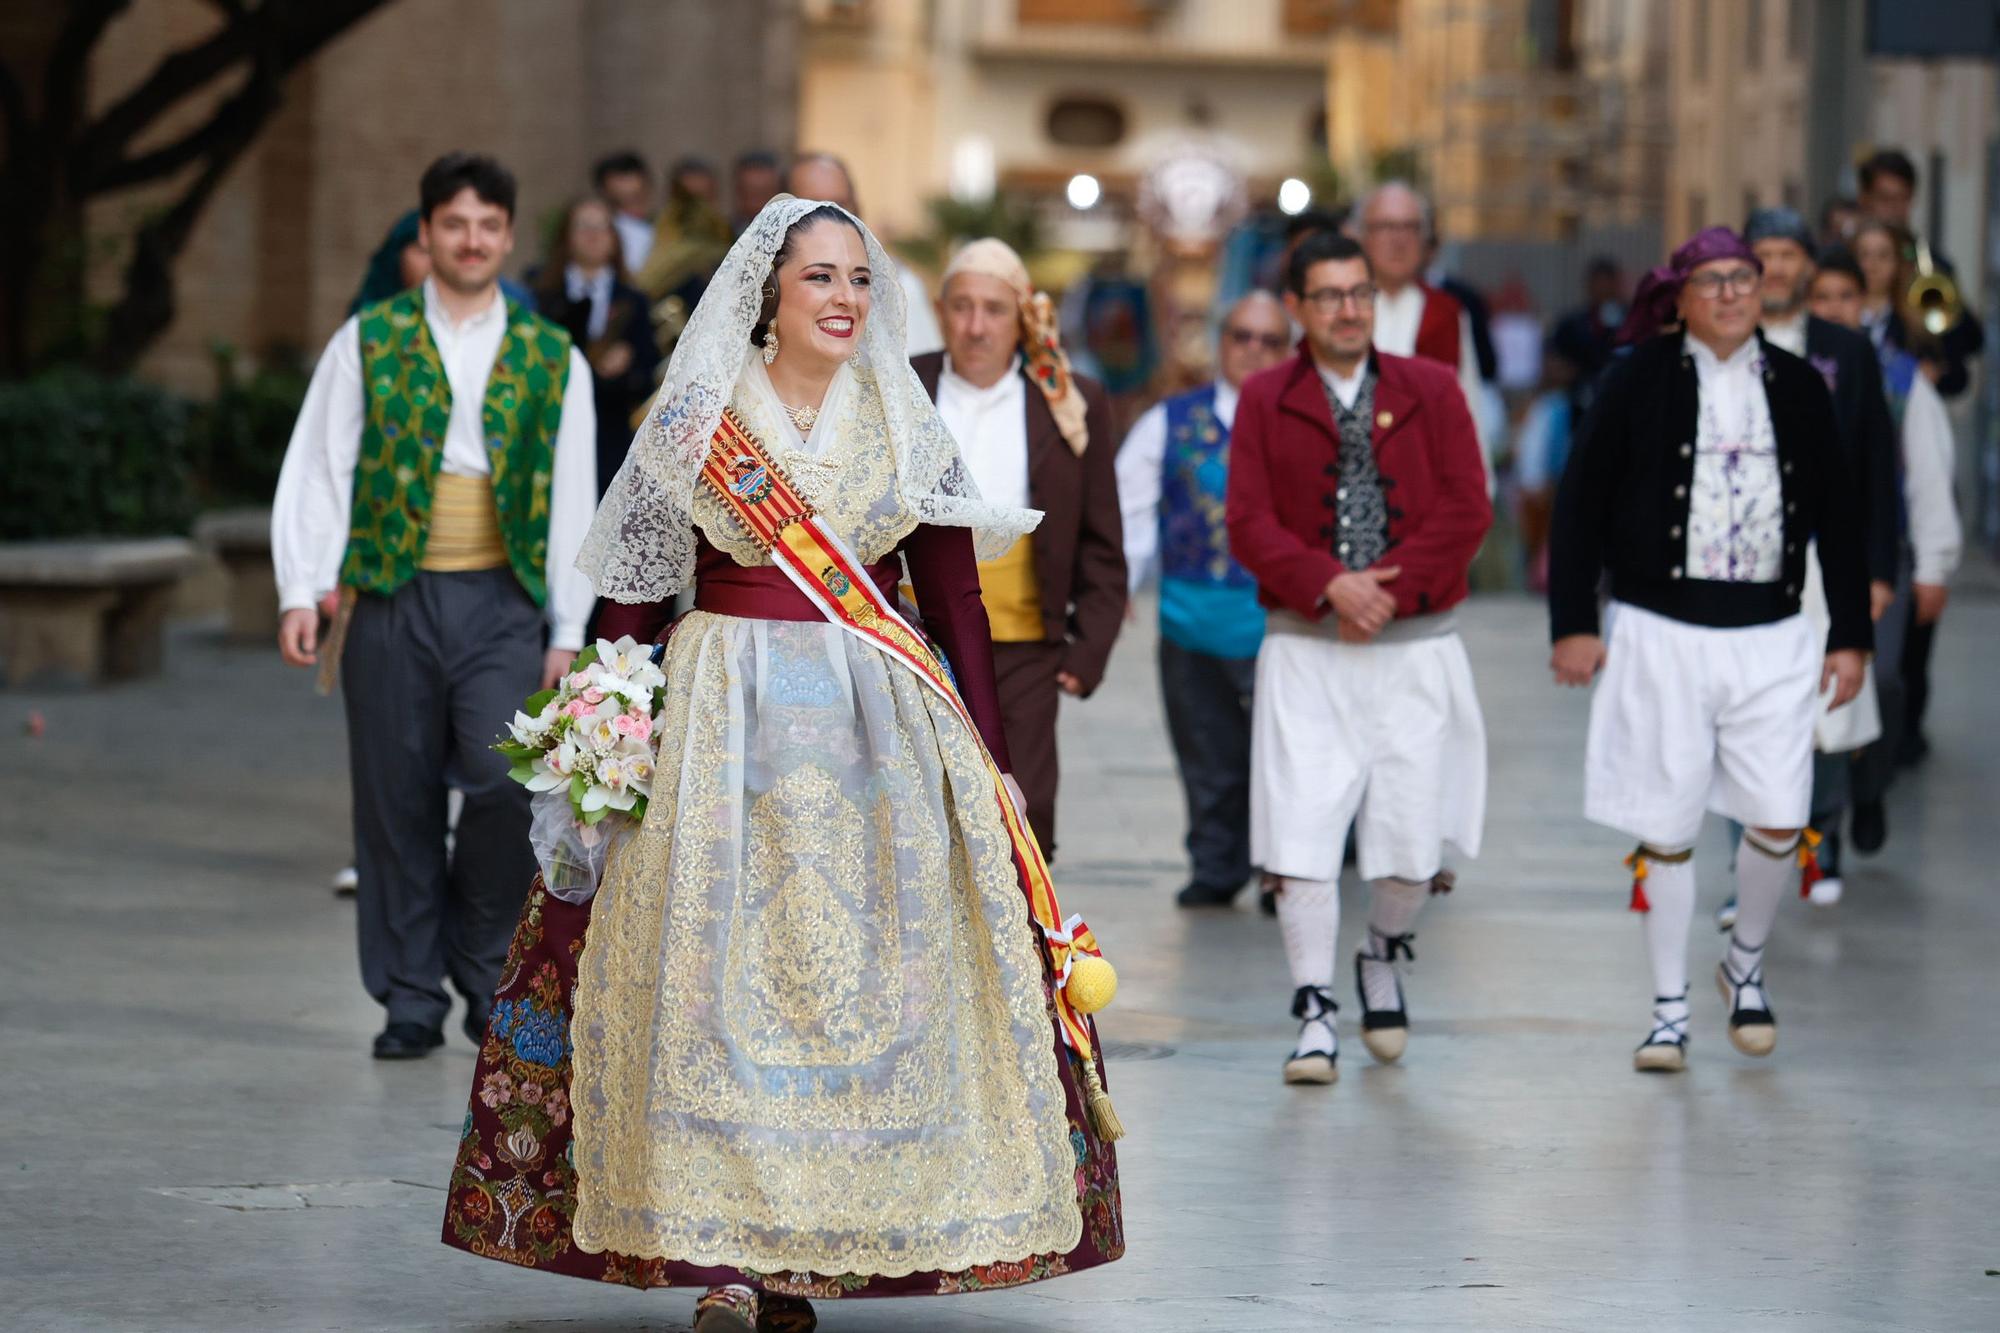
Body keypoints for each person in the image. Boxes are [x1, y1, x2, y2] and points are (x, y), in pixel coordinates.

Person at [439, 195, 1124, 1331]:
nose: (845, 298)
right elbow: (634, 588)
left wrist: (991, 763)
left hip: (874, 737)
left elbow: (951, 596)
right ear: (767, 296)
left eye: (858, 277)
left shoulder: (904, 419)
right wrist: (594, 726)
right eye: (819, 278)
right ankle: (725, 1259)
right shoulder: (698, 417)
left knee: (845, 988)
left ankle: (813, 1248)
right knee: (708, 986)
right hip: (718, 727)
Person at [272, 152, 598, 1059]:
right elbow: (320, 466)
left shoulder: (549, 355)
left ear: (507, 236)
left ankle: (478, 951)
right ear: (425, 236)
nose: (471, 240)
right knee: (394, 797)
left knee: (504, 779)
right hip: (388, 593)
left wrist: (569, 627)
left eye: (488, 225)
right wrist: (303, 586)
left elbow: (575, 491)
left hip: (502, 596)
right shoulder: (368, 339)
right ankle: (409, 995)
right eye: (454, 224)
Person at [1547, 226, 1870, 1074]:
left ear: (1761, 290)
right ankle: (1667, 1011)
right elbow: (1578, 501)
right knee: (1667, 822)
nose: (1729, 294)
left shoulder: (1800, 385)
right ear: (1680, 296)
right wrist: (1574, 622)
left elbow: (1840, 512)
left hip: (1773, 633)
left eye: (1743, 279)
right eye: (1710, 281)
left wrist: (1851, 636)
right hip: (1660, 632)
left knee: (1778, 814)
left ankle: (1744, 963)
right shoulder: (1636, 379)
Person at [1226, 232, 1492, 1084]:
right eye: (1330, 295)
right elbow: (1249, 521)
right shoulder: (1266, 397)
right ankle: (1314, 1010)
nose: (1349, 309)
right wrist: (1329, 585)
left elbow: (1468, 508)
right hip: (1307, 648)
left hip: (1415, 647)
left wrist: (1388, 587)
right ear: (1297, 308)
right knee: (1302, 833)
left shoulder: (1434, 387)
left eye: (1361, 293)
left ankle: (1381, 948)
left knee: (1411, 846)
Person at [913, 238, 1125, 861]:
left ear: (1023, 315)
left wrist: (1090, 645)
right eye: (962, 307)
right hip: (915, 634)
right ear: (940, 308)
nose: (976, 327)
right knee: (923, 805)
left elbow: (1102, 535)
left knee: (1024, 809)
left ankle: (1026, 944)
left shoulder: (1070, 401)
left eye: (994, 310)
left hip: (1025, 642)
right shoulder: (903, 386)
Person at [1116, 291, 1291, 909]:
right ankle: (1216, 866)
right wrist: (1122, 586)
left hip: (1281, 624)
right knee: (1205, 752)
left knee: (1284, 758)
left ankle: (1284, 871)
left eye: (1270, 341)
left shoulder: (1302, 424)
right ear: (1222, 341)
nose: (1253, 350)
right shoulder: (1169, 421)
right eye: (1242, 335)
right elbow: (1131, 509)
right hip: (1190, 620)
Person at [1744, 207, 1900, 861]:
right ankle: (1748, 853)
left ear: (1809, 262)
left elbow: (1876, 467)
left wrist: (1879, 571)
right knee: (1748, 716)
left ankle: (1819, 838)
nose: (1776, 266)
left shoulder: (1847, 350)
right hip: (1745, 562)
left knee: (1833, 709)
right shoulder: (1725, 341)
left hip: (1826, 559)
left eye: (1788, 253)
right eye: (1764, 253)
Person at [1805, 247, 1962, 880]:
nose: (1834, 309)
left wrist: (1933, 562)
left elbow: (1927, 474)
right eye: (1822, 297)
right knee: (1822, 700)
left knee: (1884, 682)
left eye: (1847, 296)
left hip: (1879, 561)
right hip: (1805, 567)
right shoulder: (1782, 367)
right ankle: (1828, 826)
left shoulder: (1897, 377)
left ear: (1865, 302)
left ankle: (1869, 785)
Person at [530, 195, 660, 495]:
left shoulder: (634, 300)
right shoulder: (542, 294)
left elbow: (650, 370)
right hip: (557, 432)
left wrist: (628, 365)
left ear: (614, 239)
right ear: (566, 237)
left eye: (602, 227)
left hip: (612, 437)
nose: (593, 236)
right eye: (583, 227)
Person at [1352, 183, 1486, 433]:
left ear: (1426, 240)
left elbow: (1469, 411)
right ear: (1361, 236)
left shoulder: (1447, 313)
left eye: (1410, 227)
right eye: (1385, 226)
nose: (1398, 239)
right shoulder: (1336, 308)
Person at [1856, 148, 1985, 401]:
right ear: (1865, 199)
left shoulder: (1933, 266)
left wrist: (1935, 372)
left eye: (1902, 199)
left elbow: (1968, 344)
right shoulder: (1843, 259)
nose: (1893, 209)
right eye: (1884, 198)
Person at [786, 151, 944, 356]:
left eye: (839, 205)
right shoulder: (764, 283)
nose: (828, 217)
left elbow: (921, 367)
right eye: (812, 206)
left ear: (857, 207)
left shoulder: (900, 285)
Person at [1550, 256, 1627, 415]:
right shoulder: (1572, 324)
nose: (1602, 290)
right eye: (1598, 284)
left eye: (1607, 284)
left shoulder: (1629, 322)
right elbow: (1555, 363)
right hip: (1578, 402)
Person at [594, 150, 658, 276]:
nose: (628, 184)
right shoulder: (603, 230)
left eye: (629, 175)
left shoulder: (659, 228)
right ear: (604, 188)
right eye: (620, 177)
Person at [729, 149, 782, 233]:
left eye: (764, 194)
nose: (757, 205)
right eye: (751, 195)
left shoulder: (795, 235)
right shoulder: (723, 235)